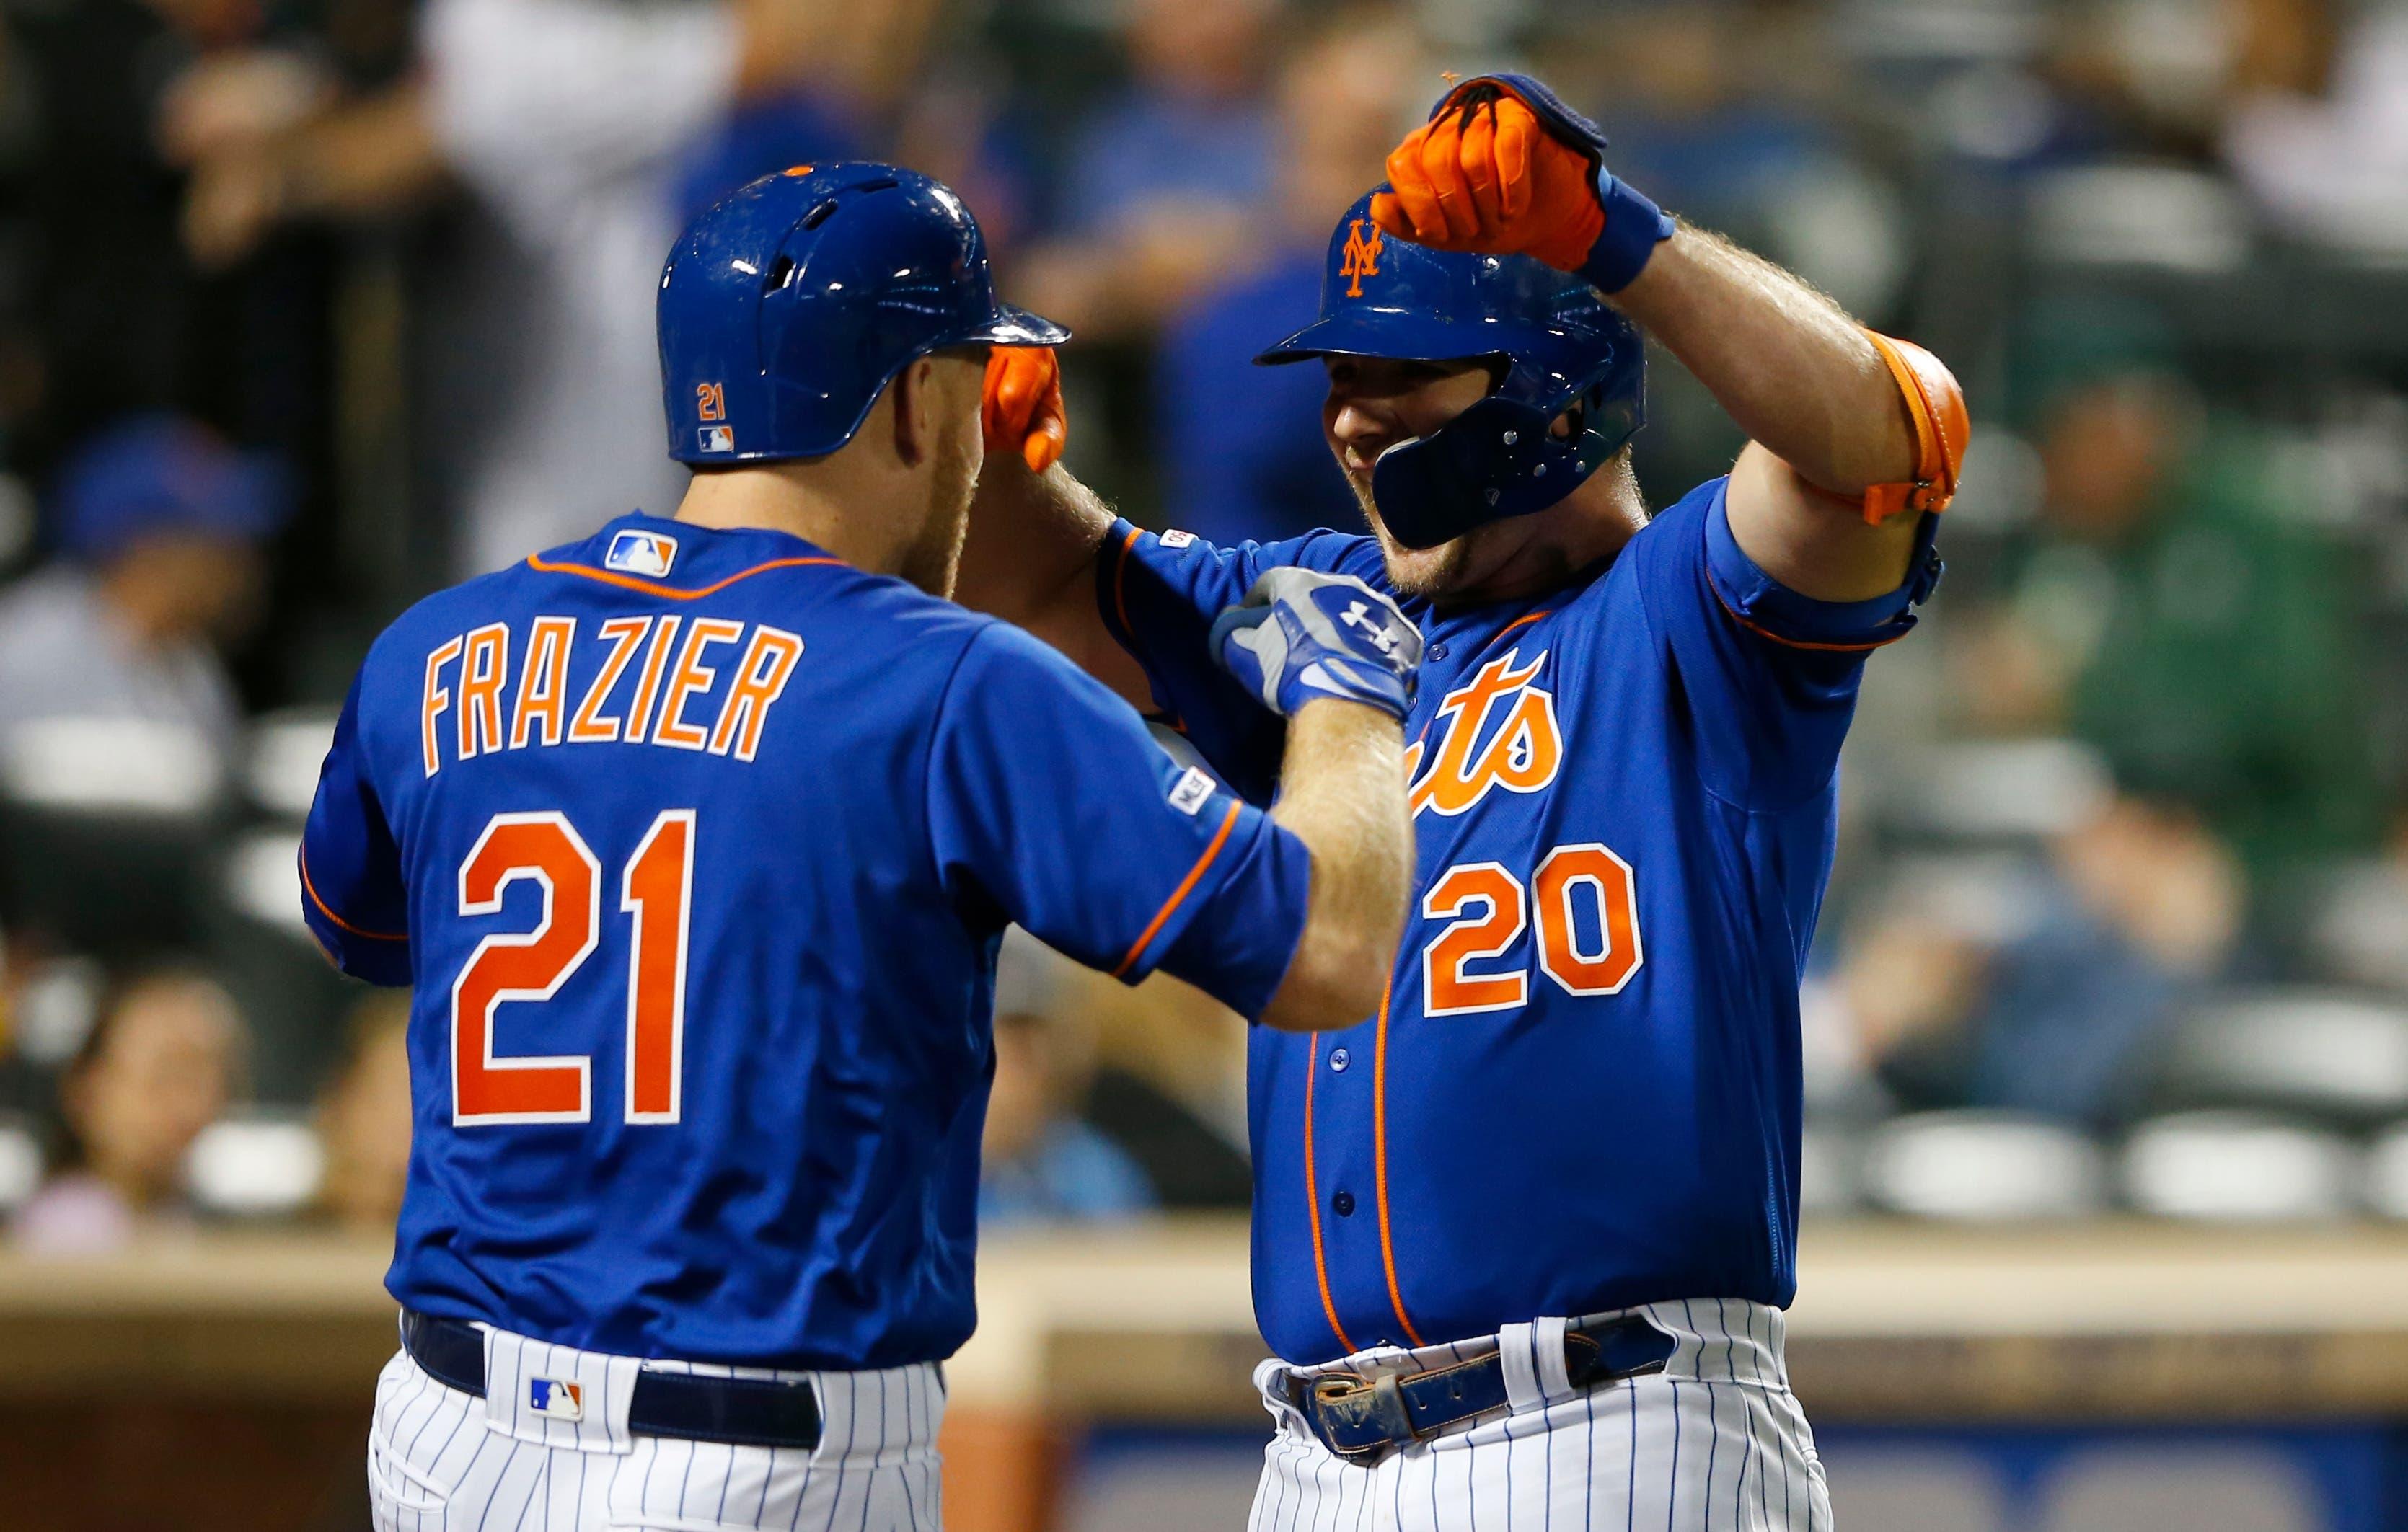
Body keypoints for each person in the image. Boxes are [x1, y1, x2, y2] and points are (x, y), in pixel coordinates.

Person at [298, 162, 1419, 1532]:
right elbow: (1330, 950)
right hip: (752, 1461)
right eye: (971, 381)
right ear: (910, 399)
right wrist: (1349, 702)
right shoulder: (948, 687)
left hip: (445, 1435)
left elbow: (367, 929)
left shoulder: (434, 644)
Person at [961, 76, 1966, 1528]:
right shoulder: (1319, 614)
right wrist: (980, 448)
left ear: (1545, 390)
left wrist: (1609, 234)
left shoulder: (1682, 610)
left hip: (1609, 1426)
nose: (1356, 422)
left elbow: (1882, 445)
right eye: (1340, 380)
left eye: (1402, 376)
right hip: (1315, 1451)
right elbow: (1042, 575)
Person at [0, 415, 291, 779]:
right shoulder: (25, 653)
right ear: (148, 548)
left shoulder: (192, 668)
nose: (246, 564)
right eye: (222, 539)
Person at [12, 965, 244, 1254]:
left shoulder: (195, 1221)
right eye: (164, 1077)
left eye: (200, 1080)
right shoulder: (61, 1232)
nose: (186, 1107)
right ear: (87, 1089)